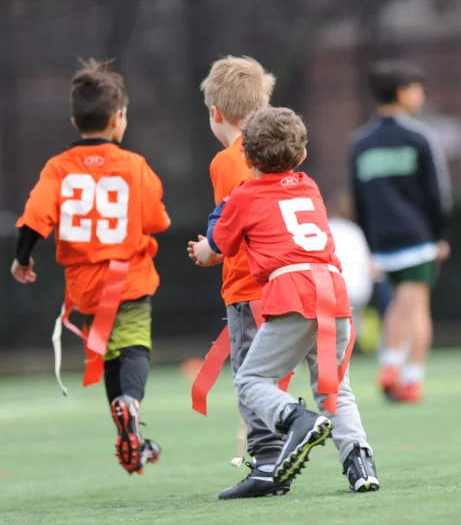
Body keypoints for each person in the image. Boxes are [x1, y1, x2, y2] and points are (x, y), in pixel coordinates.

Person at [194, 106, 380, 493]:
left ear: (246, 157)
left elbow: (218, 248)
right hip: (334, 290)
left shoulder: (245, 194)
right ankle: (360, 464)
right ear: (302, 156)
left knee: (250, 380)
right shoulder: (310, 186)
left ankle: (296, 419)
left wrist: (202, 248)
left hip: (292, 293)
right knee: (334, 386)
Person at [12, 59, 171, 474]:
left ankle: (128, 436)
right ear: (118, 119)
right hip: (129, 279)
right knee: (133, 348)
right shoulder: (135, 165)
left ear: (74, 119)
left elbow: (34, 217)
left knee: (107, 354)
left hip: (86, 286)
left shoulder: (58, 168)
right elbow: (157, 220)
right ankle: (130, 405)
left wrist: (22, 258)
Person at [187, 55, 293, 500]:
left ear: (216, 113)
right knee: (274, 374)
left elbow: (230, 223)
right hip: (287, 282)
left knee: (250, 377)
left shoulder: (226, 160)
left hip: (248, 286)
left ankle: (268, 461)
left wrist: (210, 249)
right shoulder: (277, 152)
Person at [351, 60, 452, 404]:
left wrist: (370, 243)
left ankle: (388, 365)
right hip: (418, 236)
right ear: (403, 92)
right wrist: (440, 235)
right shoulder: (419, 137)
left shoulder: (360, 143)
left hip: (381, 240)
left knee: (397, 303)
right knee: (417, 305)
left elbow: (358, 200)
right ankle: (412, 379)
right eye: (416, 89)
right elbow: (437, 193)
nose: (420, 96)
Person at [327, 191, 375, 337]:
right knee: (349, 324)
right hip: (361, 290)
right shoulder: (356, 231)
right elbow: (370, 265)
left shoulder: (328, 228)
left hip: (336, 289)